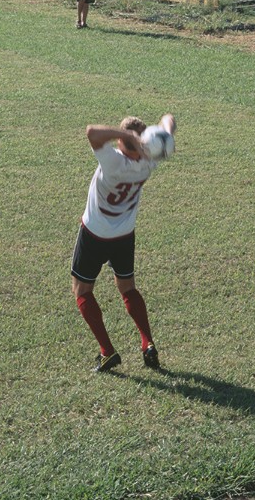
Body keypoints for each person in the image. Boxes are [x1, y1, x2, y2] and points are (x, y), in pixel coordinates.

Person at [70, 112, 177, 373]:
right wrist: (162, 135)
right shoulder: (151, 160)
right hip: (124, 235)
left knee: (82, 291)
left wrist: (124, 134)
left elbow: (92, 131)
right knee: (127, 287)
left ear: (121, 144)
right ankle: (148, 343)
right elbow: (168, 118)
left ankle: (107, 352)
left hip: (94, 234)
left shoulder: (113, 163)